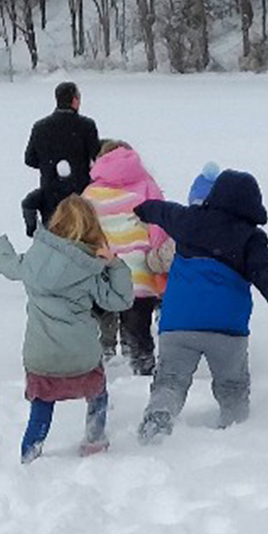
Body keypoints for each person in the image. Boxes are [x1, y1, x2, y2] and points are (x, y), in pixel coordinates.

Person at [132, 169, 268, 443]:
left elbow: (164, 212)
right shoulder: (250, 237)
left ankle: (159, 417)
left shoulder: (190, 220)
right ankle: (236, 428)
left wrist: (142, 209)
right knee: (232, 383)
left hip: (179, 323)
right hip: (226, 328)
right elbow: (264, 266)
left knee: (171, 379)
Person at [0, 195, 134, 463]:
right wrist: (114, 264)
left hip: (41, 356)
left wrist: (0, 244)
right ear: (92, 227)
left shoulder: (34, 258)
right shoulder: (89, 269)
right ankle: (95, 442)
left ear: (56, 221)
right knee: (98, 395)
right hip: (82, 356)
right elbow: (120, 300)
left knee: (41, 407)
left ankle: (30, 455)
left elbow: (9, 266)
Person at [83, 140, 170, 375]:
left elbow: (84, 234)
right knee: (138, 329)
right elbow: (159, 229)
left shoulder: (90, 193)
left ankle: (98, 369)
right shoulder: (147, 186)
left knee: (98, 325)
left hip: (103, 272)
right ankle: (142, 371)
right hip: (139, 272)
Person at [23, 82, 99, 227]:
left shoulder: (40, 127)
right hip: (80, 195)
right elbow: (96, 157)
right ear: (75, 100)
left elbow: (29, 159)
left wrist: (47, 163)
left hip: (50, 195)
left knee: (53, 231)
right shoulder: (86, 126)